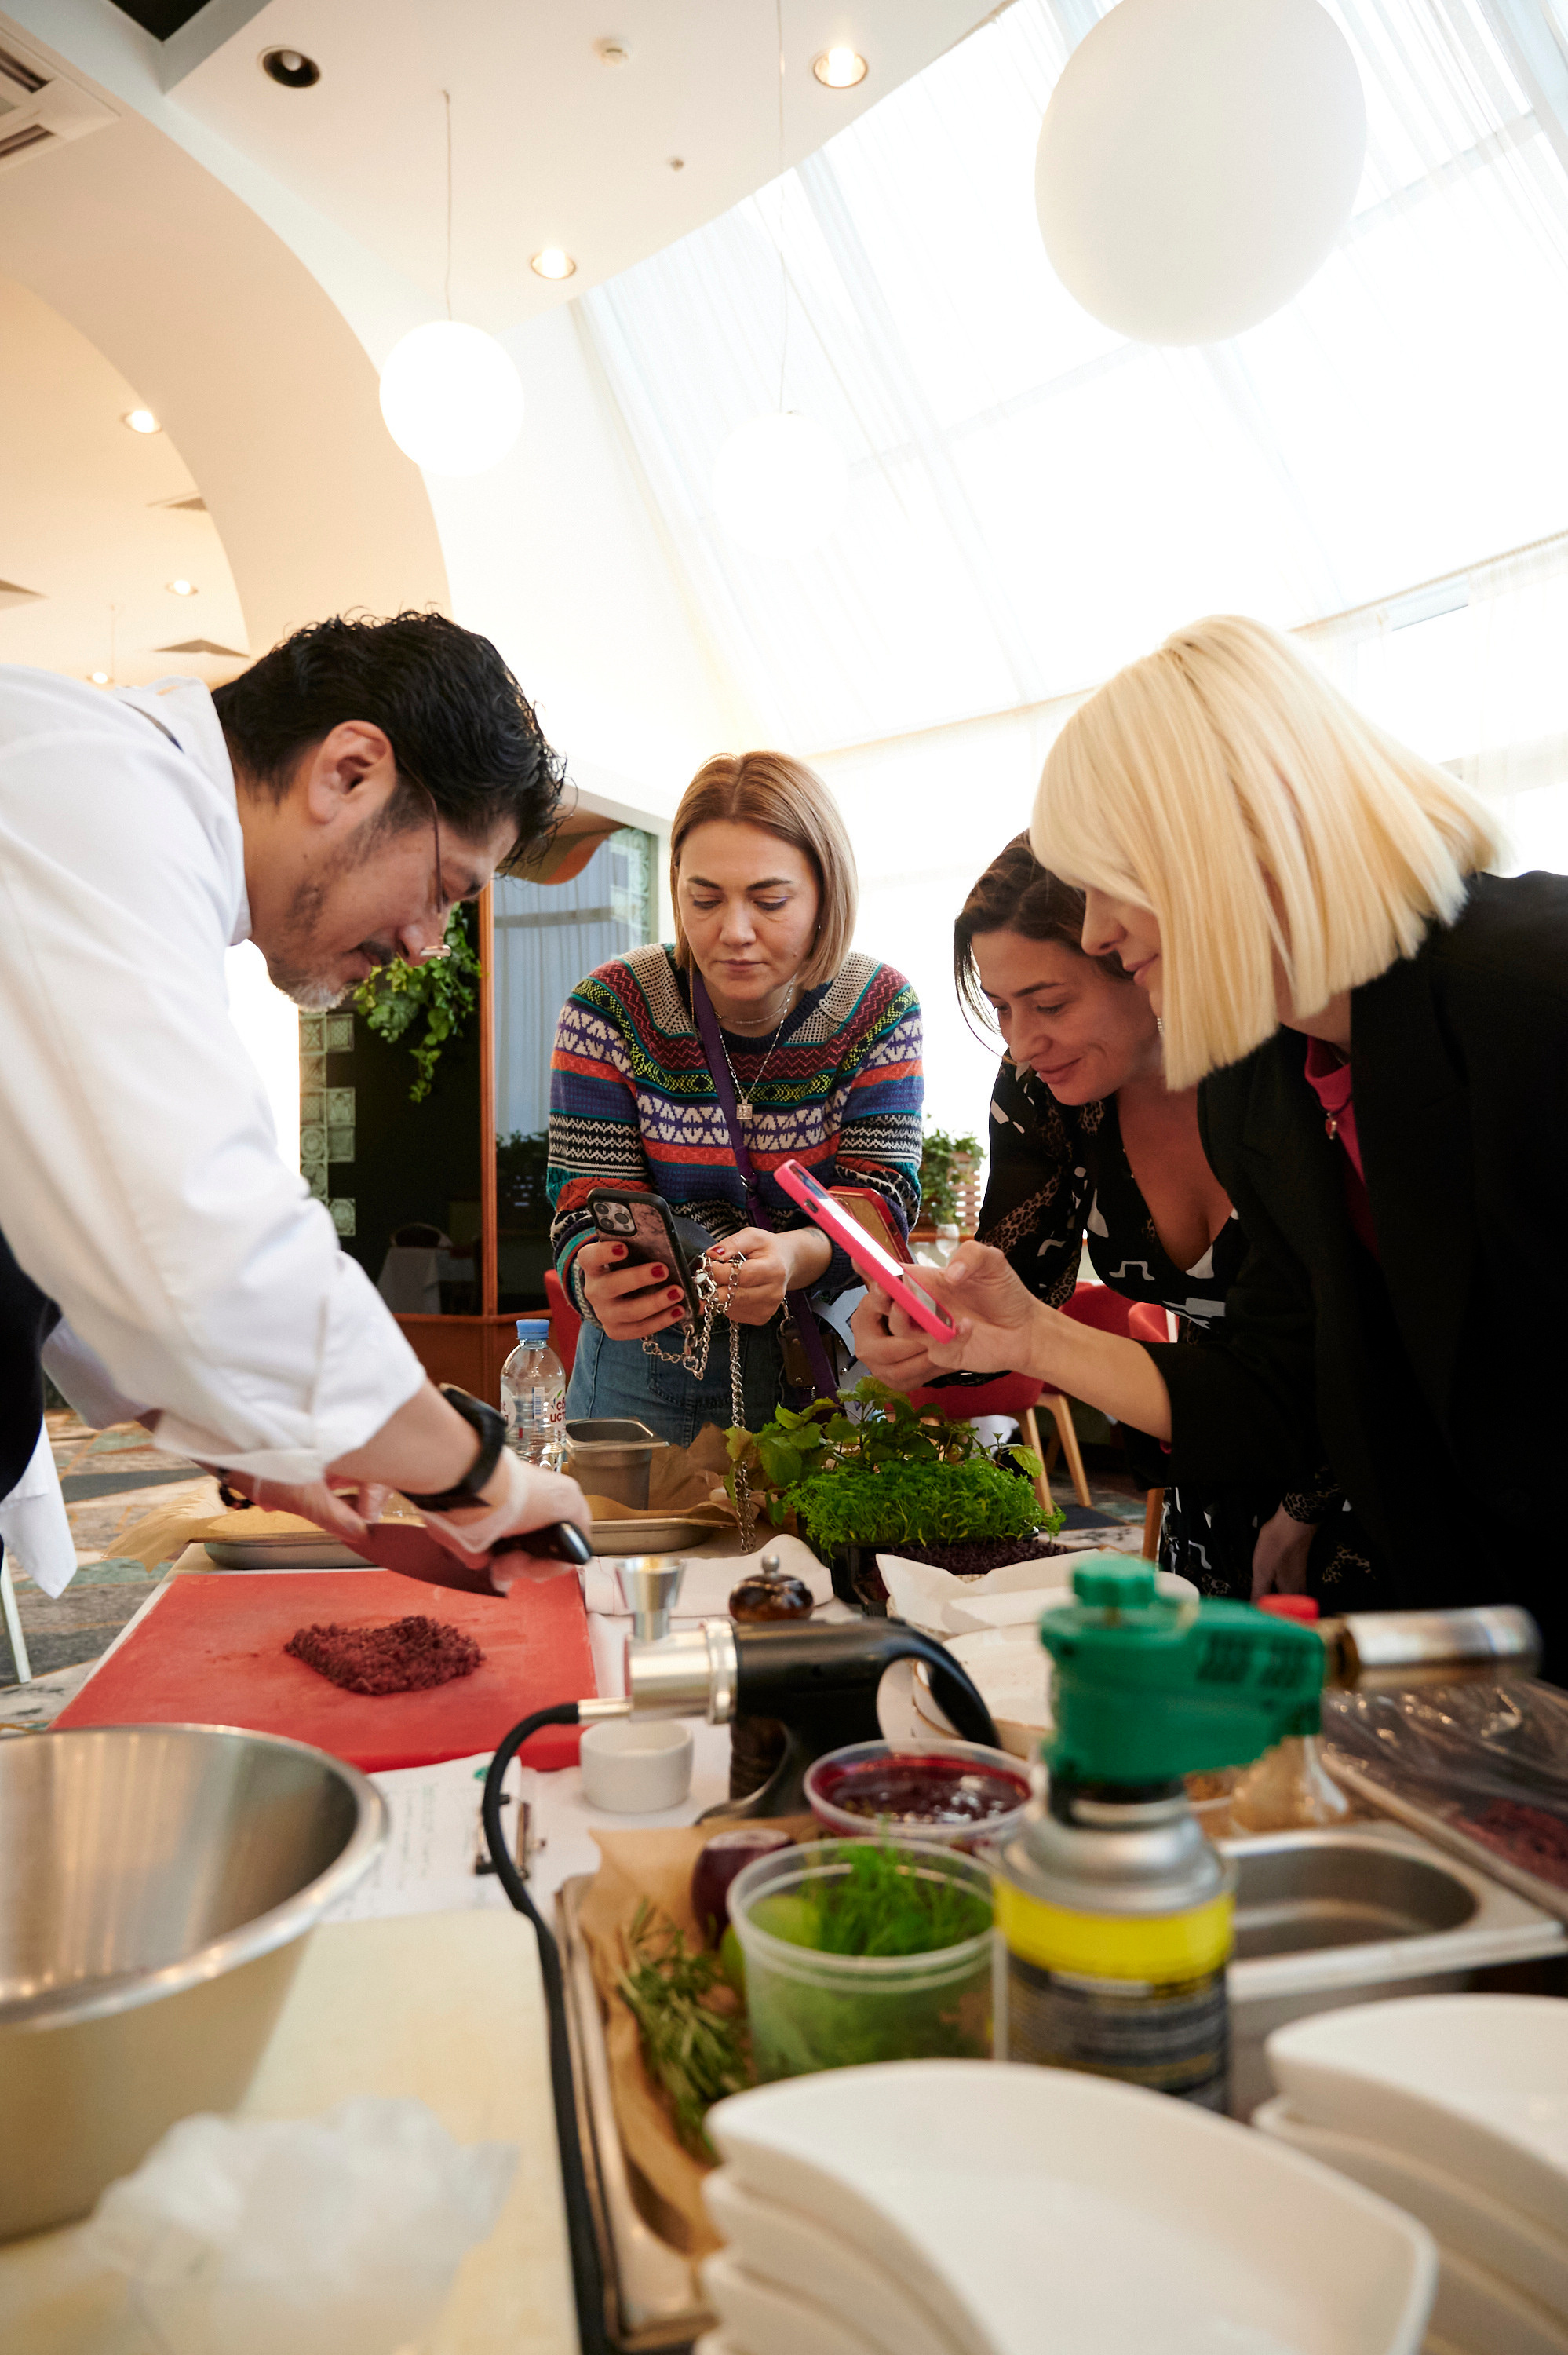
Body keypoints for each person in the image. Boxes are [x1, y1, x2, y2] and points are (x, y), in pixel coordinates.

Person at [861, 615, 1568, 1676]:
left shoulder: (1534, 995)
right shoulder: (1278, 1090)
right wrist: (1026, 1338)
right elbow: (1277, 1399)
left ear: (1224, 833)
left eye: (1106, 881)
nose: (1095, 929)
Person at [0, 612, 590, 1591]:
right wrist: (478, 1477)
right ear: (349, 771)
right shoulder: (91, 789)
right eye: (446, 886)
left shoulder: (129, 818)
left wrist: (259, 1452)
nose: (429, 942)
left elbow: (60, 1216)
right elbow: (187, 1232)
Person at [852, 833, 1324, 1595]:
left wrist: (1308, 1505)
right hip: (1213, 1460)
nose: (1023, 1042)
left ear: (1136, 952)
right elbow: (1017, 1307)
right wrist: (931, 1325)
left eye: (1050, 1003)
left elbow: (1378, 1331)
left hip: (1379, 1458)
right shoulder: (1043, 1093)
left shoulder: (1291, 1066)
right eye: (1001, 1008)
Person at [547, 752, 923, 1444]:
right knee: (631, 1556)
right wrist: (589, 1275)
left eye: (770, 901)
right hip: (647, 1364)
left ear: (825, 894)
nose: (735, 931)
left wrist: (796, 1255)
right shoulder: (612, 1007)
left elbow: (879, 1198)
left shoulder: (876, 1007)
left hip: (819, 1363)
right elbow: (583, 1199)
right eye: (705, 898)